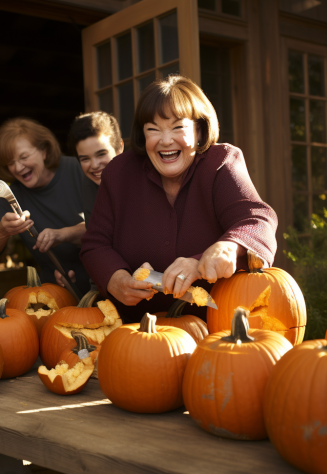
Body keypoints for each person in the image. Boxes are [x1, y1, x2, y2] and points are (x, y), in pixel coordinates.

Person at [80, 75, 278, 322]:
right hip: (136, 330)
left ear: (199, 130)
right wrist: (115, 278)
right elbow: (94, 244)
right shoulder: (118, 173)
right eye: (153, 129)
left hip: (214, 327)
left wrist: (226, 248)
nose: (165, 140)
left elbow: (258, 221)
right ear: (143, 135)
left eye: (177, 127)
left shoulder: (222, 163)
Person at [0, 117, 90, 294]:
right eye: (10, 163)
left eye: (24, 157)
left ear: (44, 150)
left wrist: (63, 234)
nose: (18, 167)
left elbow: (107, 227)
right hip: (56, 294)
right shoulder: (12, 195)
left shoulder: (80, 170)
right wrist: (2, 231)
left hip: (108, 284)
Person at [54, 111, 124, 287]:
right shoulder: (90, 183)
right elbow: (98, 241)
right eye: (85, 159)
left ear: (120, 148)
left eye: (101, 154)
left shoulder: (142, 179)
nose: (94, 165)